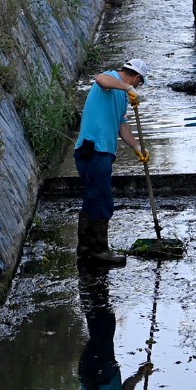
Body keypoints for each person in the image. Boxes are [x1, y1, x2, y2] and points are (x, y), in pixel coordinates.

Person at [73, 58, 151, 266]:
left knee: (92, 196)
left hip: (100, 151)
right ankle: (100, 250)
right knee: (103, 199)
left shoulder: (121, 96)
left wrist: (137, 147)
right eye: (139, 83)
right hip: (94, 150)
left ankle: (85, 246)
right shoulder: (112, 79)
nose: (137, 87)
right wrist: (127, 87)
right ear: (136, 78)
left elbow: (121, 124)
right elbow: (100, 79)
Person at [78, 270, 155, 390]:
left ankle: (90, 283)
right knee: (104, 323)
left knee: (103, 323)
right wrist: (140, 375)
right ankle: (93, 283)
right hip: (105, 372)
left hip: (98, 377)